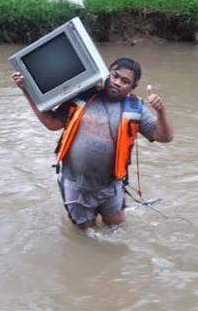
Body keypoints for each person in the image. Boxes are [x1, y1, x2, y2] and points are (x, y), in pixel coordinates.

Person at [13, 58, 173, 229]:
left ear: (132, 87)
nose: (117, 83)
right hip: (75, 183)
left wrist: (160, 111)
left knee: (118, 231)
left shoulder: (135, 108)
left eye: (125, 81)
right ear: (107, 73)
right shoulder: (82, 95)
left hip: (110, 186)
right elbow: (51, 123)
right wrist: (27, 91)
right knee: (86, 235)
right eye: (114, 76)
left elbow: (165, 137)